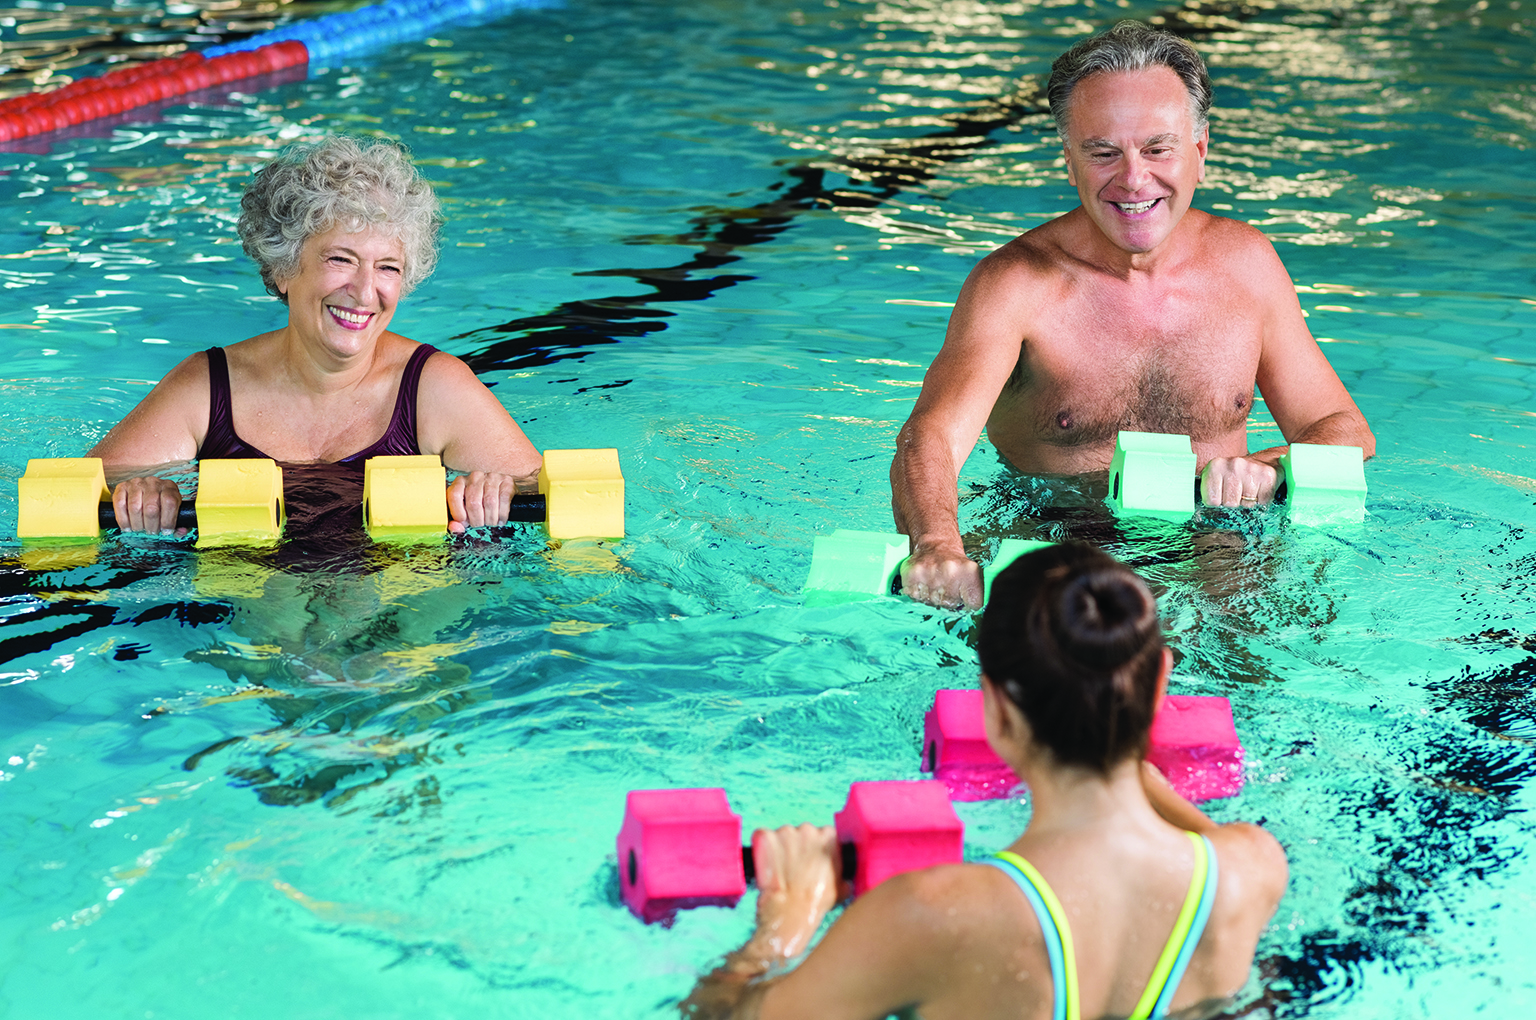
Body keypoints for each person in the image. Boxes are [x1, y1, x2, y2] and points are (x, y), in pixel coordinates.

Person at [680, 543, 1288, 1020]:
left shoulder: (934, 914)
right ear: (1161, 682)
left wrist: (783, 926)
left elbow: (715, 1017)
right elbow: (1201, 843)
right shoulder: (1252, 871)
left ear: (995, 709)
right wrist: (1138, 772)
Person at [890, 22, 1375, 608]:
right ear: (1069, 162)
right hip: (1058, 546)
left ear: (1199, 152)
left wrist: (1265, 467)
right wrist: (938, 543)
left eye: (1157, 148)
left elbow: (1345, 429)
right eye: (1103, 153)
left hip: (1217, 551)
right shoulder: (1014, 286)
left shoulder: (1247, 267)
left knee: (1250, 690)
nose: (1134, 179)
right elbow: (932, 437)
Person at [88, 135, 541, 535]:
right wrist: (144, 494)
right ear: (284, 268)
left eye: (387, 268)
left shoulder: (435, 388)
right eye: (340, 259)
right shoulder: (208, 389)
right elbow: (79, 489)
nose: (365, 292)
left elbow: (550, 499)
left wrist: (490, 489)